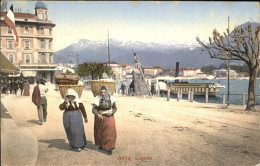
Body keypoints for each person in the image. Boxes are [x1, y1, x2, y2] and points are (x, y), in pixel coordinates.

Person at [92, 86, 117, 155]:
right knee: (100, 132)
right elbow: (93, 109)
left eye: (104, 92)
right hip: (100, 117)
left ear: (107, 92)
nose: (103, 94)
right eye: (102, 92)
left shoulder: (111, 99)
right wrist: (97, 114)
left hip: (109, 117)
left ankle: (109, 147)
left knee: (110, 131)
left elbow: (115, 108)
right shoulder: (97, 99)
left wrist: (112, 112)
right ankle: (101, 145)